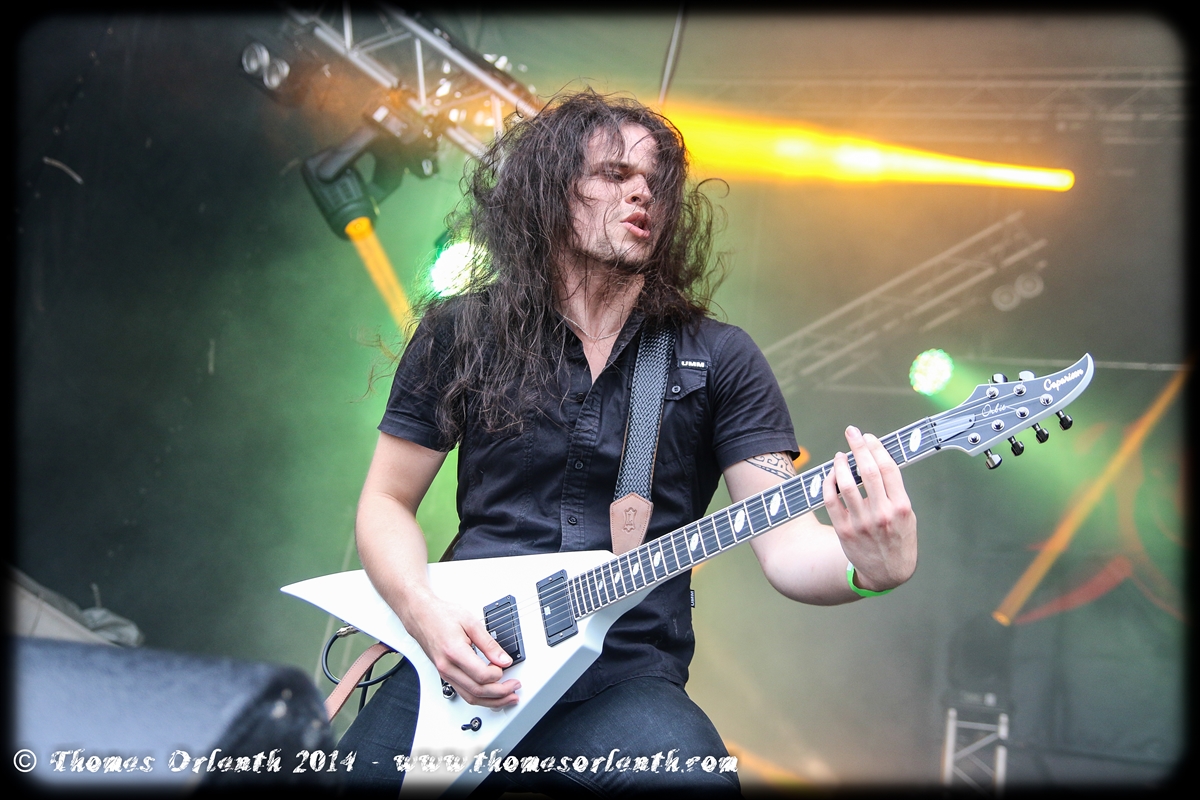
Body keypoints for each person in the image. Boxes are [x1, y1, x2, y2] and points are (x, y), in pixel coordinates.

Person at [339, 90, 918, 796]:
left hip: (622, 680)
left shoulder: (719, 357)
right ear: (553, 191)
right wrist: (423, 614)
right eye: (614, 174)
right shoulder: (465, 331)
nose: (643, 192)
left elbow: (789, 545)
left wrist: (867, 568)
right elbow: (387, 500)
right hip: (464, 661)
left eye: (655, 182)